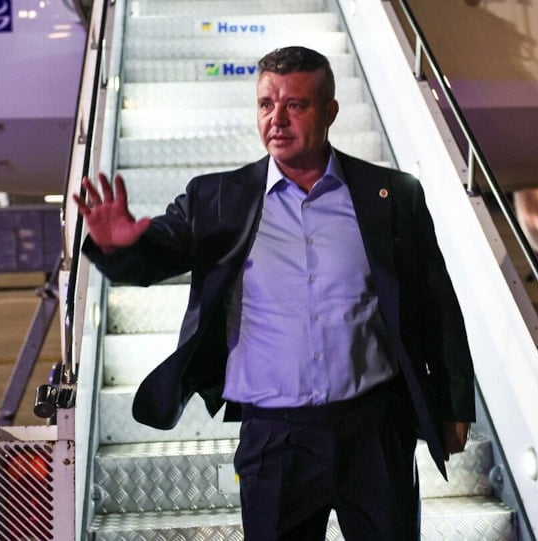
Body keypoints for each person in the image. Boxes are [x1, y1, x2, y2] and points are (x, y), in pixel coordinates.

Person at [75, 46, 475, 540]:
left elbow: (437, 305)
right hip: (275, 438)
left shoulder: (391, 195)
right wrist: (116, 246)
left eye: (295, 105)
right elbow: (152, 259)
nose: (277, 120)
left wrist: (455, 404)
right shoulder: (218, 198)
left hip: (375, 429)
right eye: (266, 104)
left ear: (329, 111)